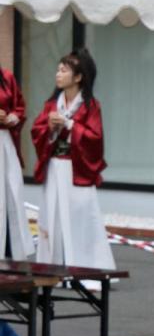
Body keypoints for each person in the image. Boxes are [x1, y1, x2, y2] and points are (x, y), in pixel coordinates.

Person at [31, 50, 115, 275]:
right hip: (54, 165)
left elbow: (95, 139)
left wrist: (69, 126)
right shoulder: (52, 104)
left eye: (64, 70)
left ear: (78, 77)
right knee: (51, 216)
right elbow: (36, 130)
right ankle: (51, 268)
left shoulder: (90, 106)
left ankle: (88, 269)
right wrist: (49, 129)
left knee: (81, 216)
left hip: (76, 167)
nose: (58, 74)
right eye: (58, 69)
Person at [0, 64, 33, 259]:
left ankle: (12, 251)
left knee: (12, 192)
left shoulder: (6, 77)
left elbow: (19, 105)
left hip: (5, 140)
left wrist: (14, 116)